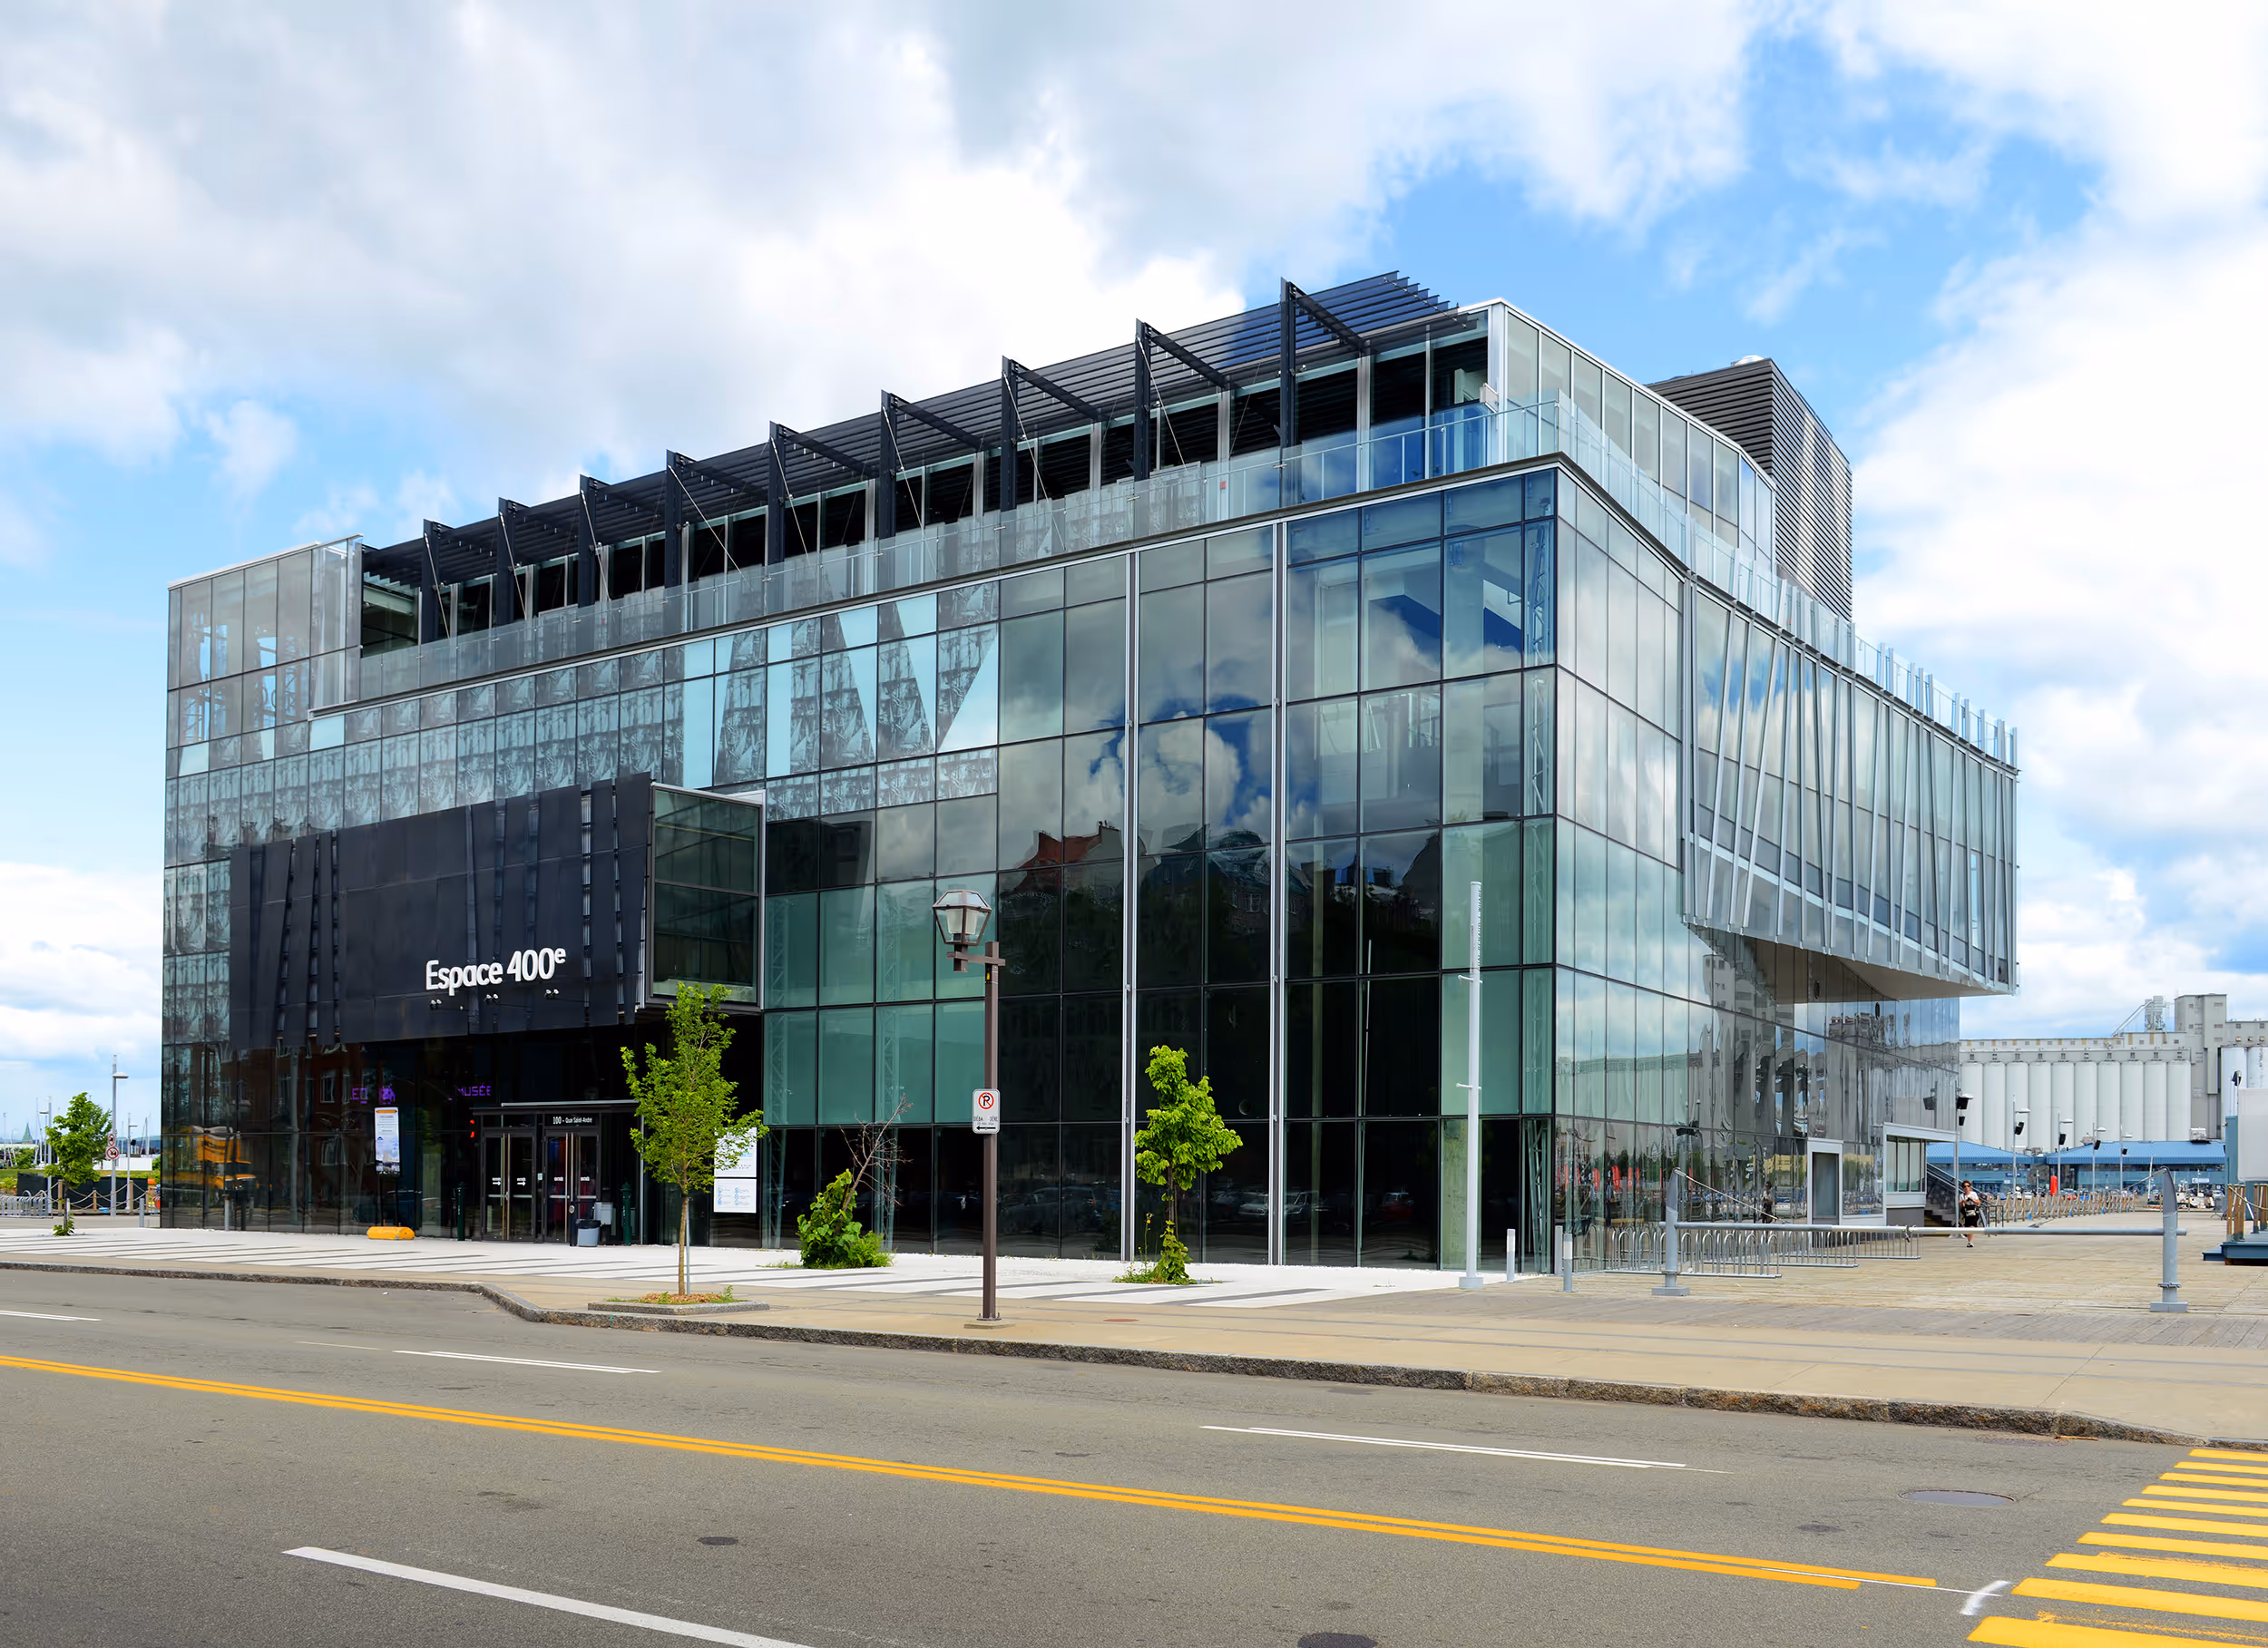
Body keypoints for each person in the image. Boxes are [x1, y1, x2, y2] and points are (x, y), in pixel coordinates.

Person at [1959, 1179, 1982, 1247]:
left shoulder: (1973, 1194)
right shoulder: (1962, 1195)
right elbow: (1959, 1205)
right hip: (1966, 1213)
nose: (1966, 1188)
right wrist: (1964, 1201)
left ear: (1970, 1187)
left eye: (1968, 1186)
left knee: (1972, 1226)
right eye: (1965, 1186)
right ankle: (1969, 1241)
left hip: (1973, 1213)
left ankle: (1970, 1242)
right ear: (1963, 1188)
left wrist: (1972, 1199)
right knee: (1968, 1227)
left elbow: (1978, 1202)